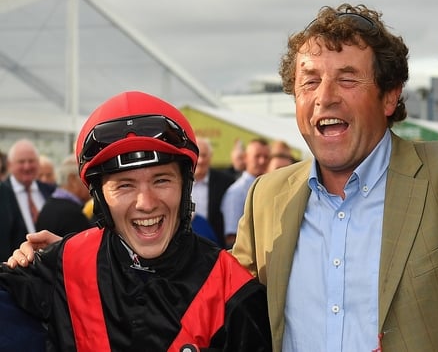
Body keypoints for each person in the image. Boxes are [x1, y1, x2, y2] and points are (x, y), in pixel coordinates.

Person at [231, 4, 438, 351]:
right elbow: (223, 305)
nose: (324, 98)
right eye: (310, 81)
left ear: (390, 96)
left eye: (347, 79)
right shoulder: (265, 197)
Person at [0, 91, 270, 351]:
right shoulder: (59, 268)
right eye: (124, 185)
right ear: (100, 198)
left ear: (185, 185)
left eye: (161, 180)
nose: (146, 203)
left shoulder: (234, 292)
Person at [0, 139, 56, 259]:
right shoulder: (3, 193)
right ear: (10, 165)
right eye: (21, 162)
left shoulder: (50, 190)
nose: (27, 166)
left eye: (31, 161)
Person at [220, 137, 270, 248]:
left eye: (266, 157)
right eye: (257, 156)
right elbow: (231, 238)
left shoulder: (269, 186)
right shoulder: (236, 192)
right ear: (245, 158)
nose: (262, 161)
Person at [192, 136, 236, 247]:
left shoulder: (226, 182)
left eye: (204, 155)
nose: (201, 160)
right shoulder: (179, 181)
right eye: (198, 155)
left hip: (215, 247)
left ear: (211, 157)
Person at [34, 155, 91, 236]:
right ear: (73, 180)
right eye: (88, 178)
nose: (92, 184)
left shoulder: (48, 207)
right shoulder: (73, 215)